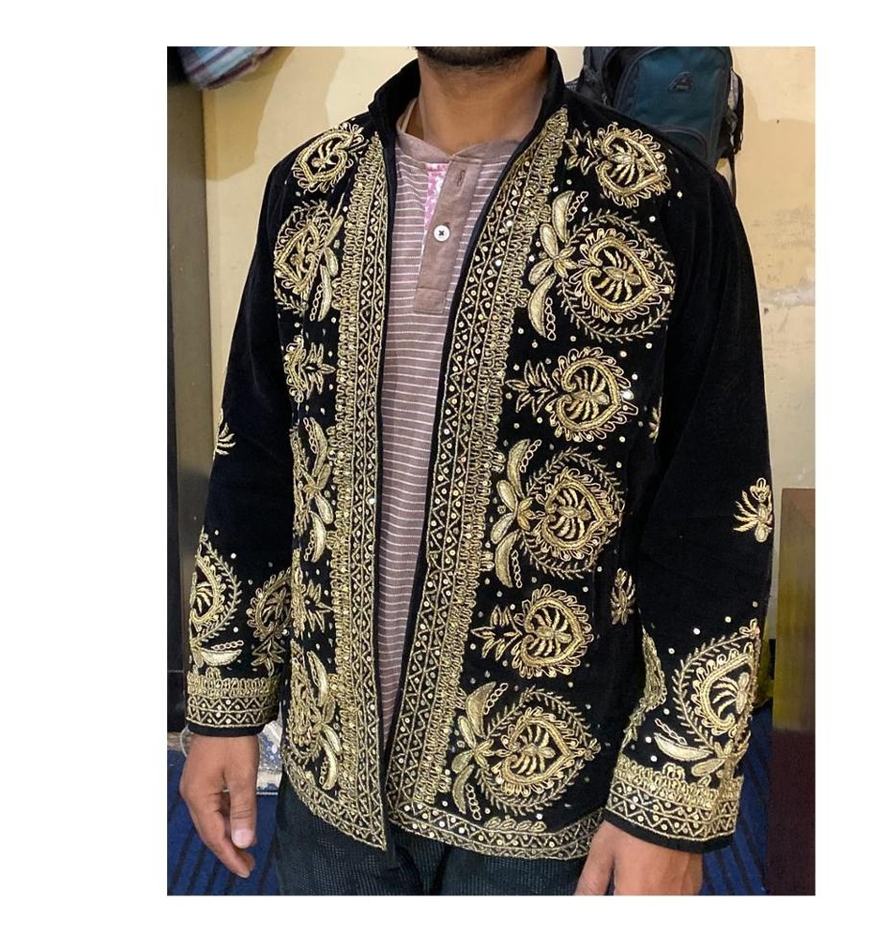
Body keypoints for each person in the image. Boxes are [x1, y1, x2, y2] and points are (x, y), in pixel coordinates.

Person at [178, 45, 775, 896]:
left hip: (552, 807)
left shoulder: (667, 202)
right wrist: (223, 703)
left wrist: (671, 795)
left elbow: (718, 517)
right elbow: (258, 464)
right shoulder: (310, 188)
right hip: (331, 785)